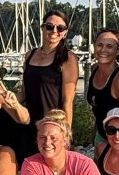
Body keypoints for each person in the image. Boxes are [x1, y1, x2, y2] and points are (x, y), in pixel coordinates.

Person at [22, 10, 81, 139]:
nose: (54, 31)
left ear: (65, 32)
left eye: (60, 28)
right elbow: (23, 93)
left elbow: (68, 101)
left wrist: (66, 135)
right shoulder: (30, 55)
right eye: (49, 26)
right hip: (29, 124)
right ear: (42, 28)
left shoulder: (68, 58)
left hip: (52, 127)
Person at [85, 28, 119, 147]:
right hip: (104, 133)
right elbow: (99, 108)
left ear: (117, 51)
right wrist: (94, 134)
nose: (103, 50)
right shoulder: (94, 69)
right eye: (100, 45)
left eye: (109, 46)